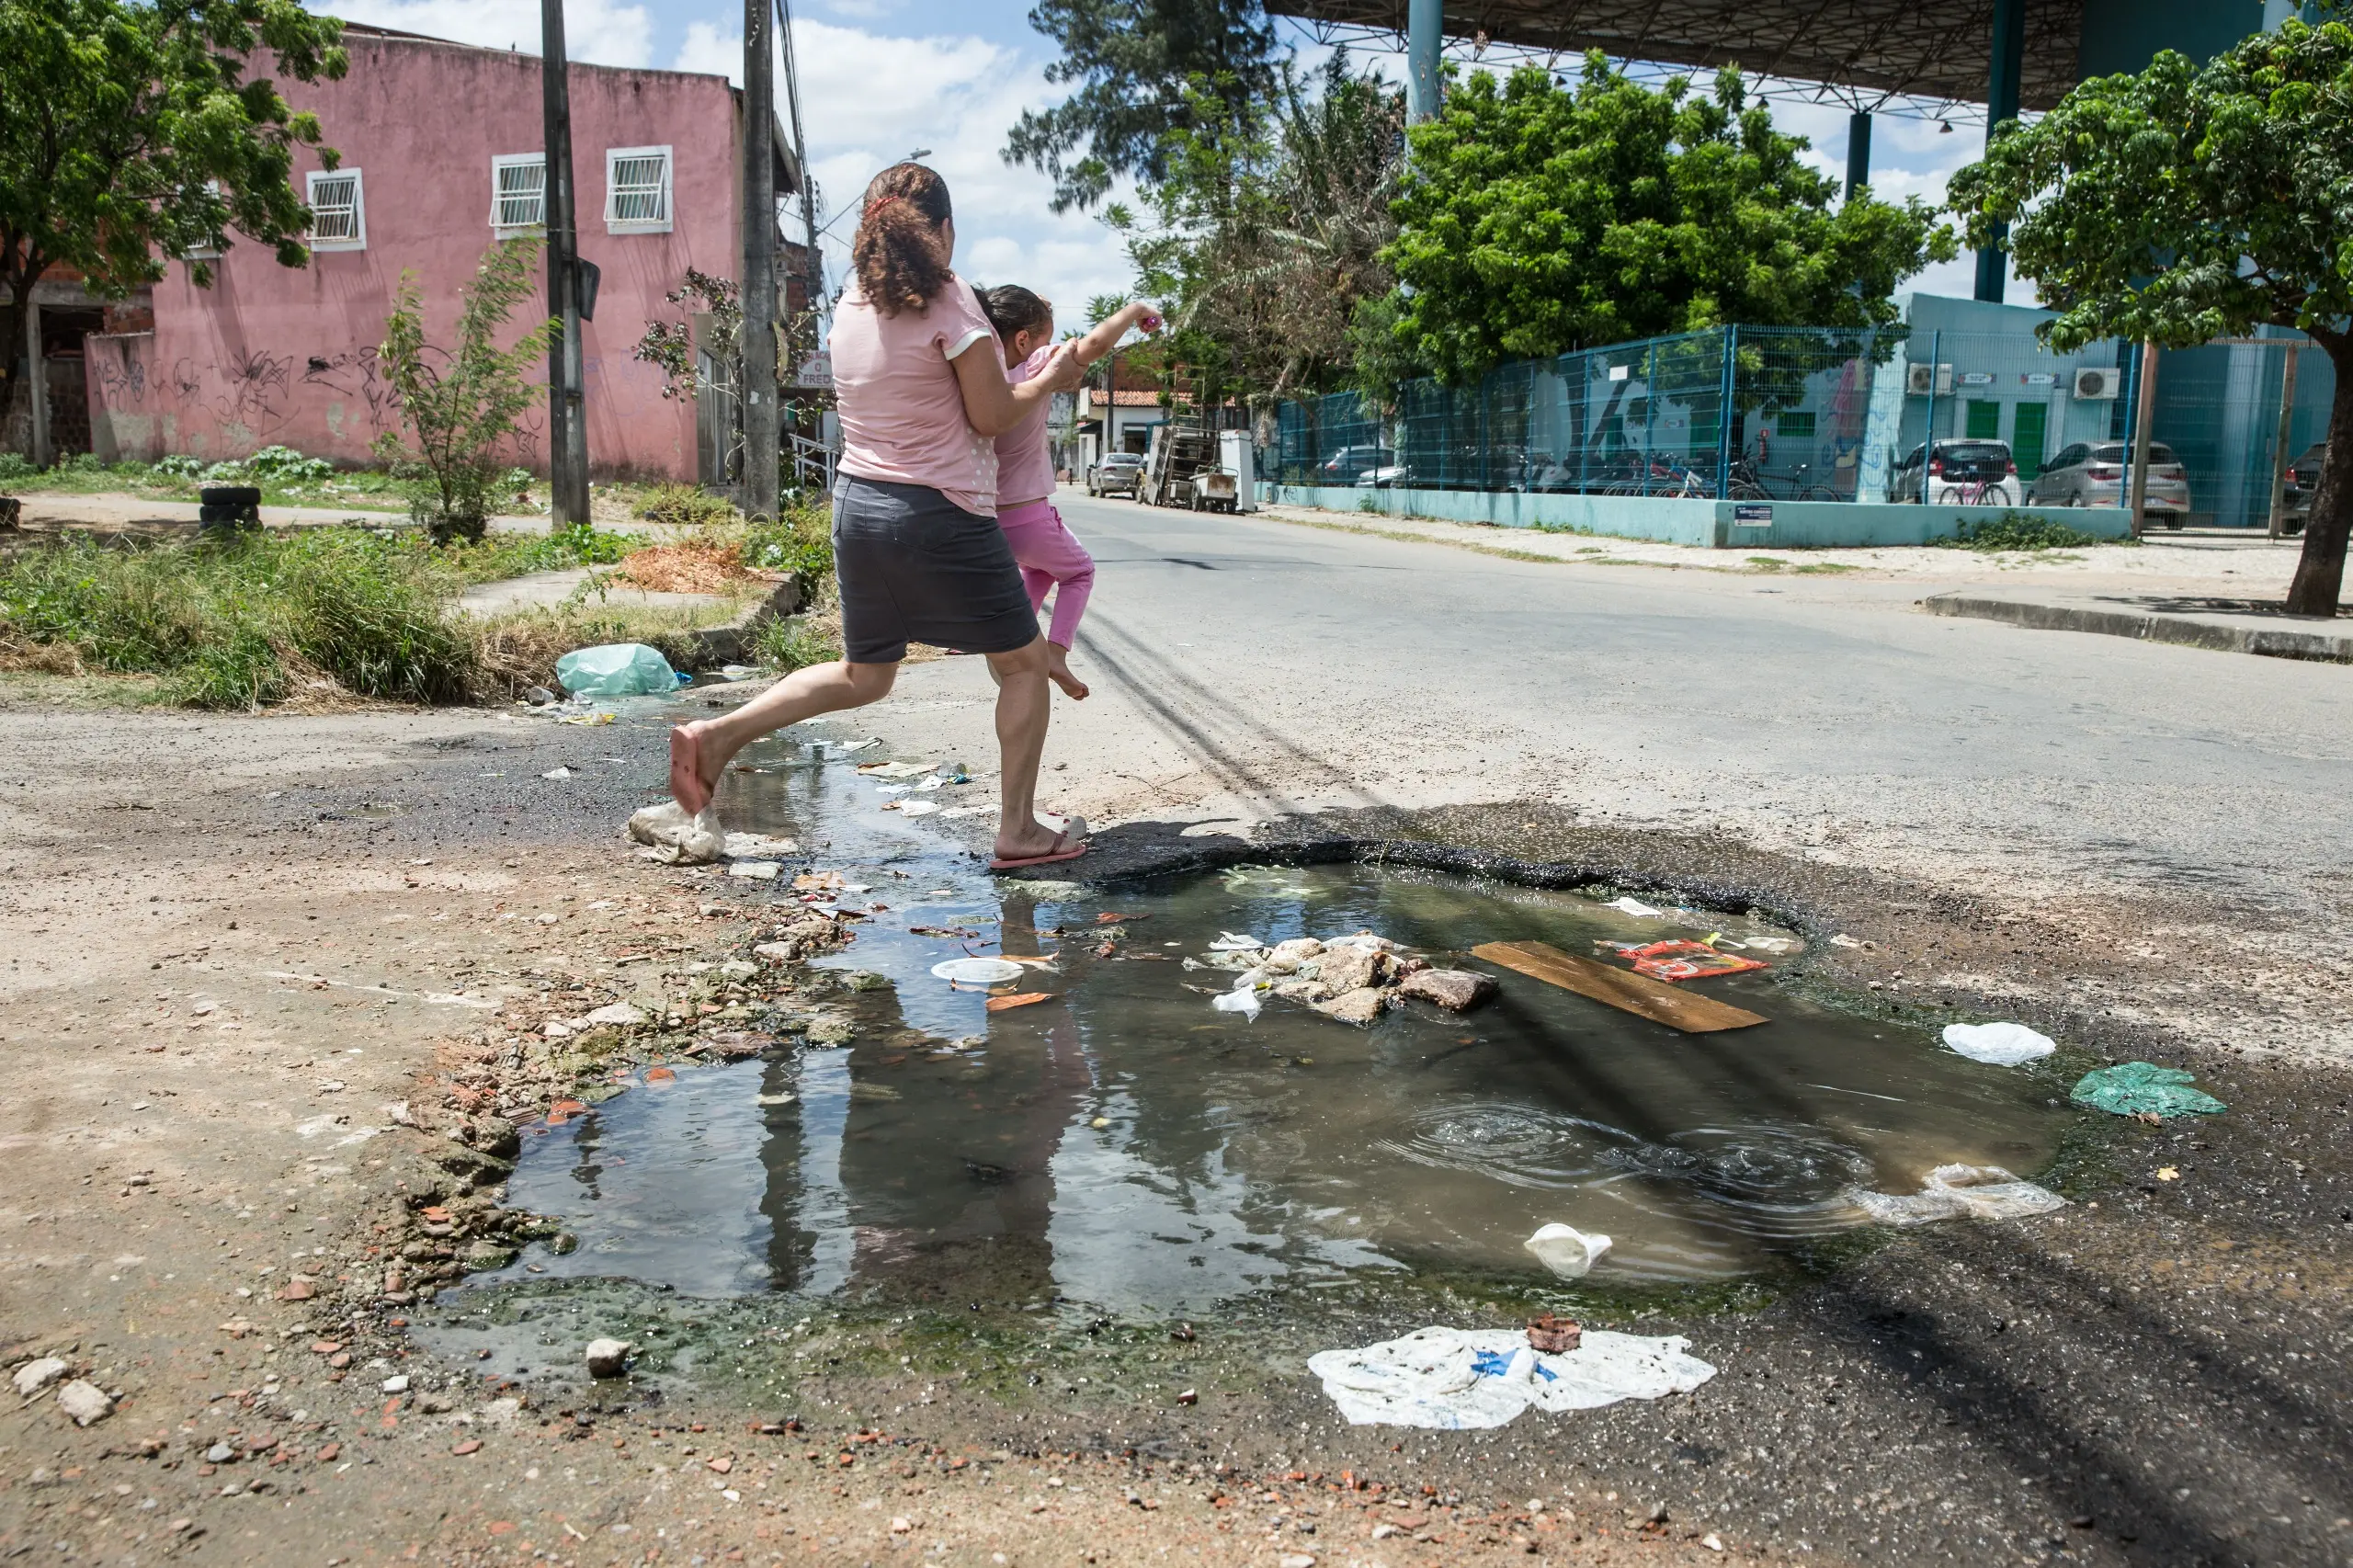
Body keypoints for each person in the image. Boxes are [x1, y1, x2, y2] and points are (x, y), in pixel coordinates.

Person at [666, 163, 1088, 870]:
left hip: (858, 508)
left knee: (866, 674)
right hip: (939, 514)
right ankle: (1018, 830)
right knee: (1023, 666)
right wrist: (1049, 378)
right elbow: (990, 415)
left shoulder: (852, 302)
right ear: (945, 232)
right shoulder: (949, 299)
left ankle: (718, 736)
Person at [974, 287, 1161, 702]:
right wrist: (1134, 310)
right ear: (1024, 340)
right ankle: (1055, 653)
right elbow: (1092, 346)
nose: (1055, 349)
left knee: (1040, 569)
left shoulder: (980, 375)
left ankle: (1012, 633)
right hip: (1030, 517)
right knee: (1079, 572)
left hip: (990, 520)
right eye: (1047, 337)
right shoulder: (1035, 368)